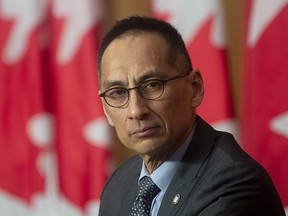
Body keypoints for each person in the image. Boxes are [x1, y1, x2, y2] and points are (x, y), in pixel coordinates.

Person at [97, 16, 285, 216]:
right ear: (106, 109)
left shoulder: (234, 186)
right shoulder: (118, 185)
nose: (136, 110)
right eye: (117, 92)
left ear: (195, 88)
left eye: (152, 85)